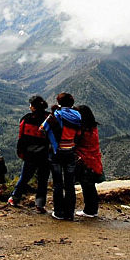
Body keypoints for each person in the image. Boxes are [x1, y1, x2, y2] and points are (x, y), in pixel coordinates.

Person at [41, 92, 81, 221]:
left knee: (58, 183)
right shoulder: (77, 115)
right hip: (70, 151)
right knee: (70, 184)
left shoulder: (56, 115)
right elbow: (79, 132)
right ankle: (69, 213)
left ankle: (58, 212)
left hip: (57, 152)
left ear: (59, 102)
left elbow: (42, 128)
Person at [8, 95, 51, 213]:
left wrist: (21, 152)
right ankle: (40, 205)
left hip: (30, 154)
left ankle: (15, 198)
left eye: (31, 105)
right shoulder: (49, 118)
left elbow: (21, 138)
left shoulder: (26, 119)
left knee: (24, 177)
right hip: (45, 154)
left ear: (33, 107)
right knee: (42, 180)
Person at [73, 105, 104, 218]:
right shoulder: (93, 128)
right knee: (90, 186)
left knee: (86, 186)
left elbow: (76, 143)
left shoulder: (82, 130)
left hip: (85, 161)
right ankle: (92, 209)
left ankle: (89, 211)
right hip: (94, 160)